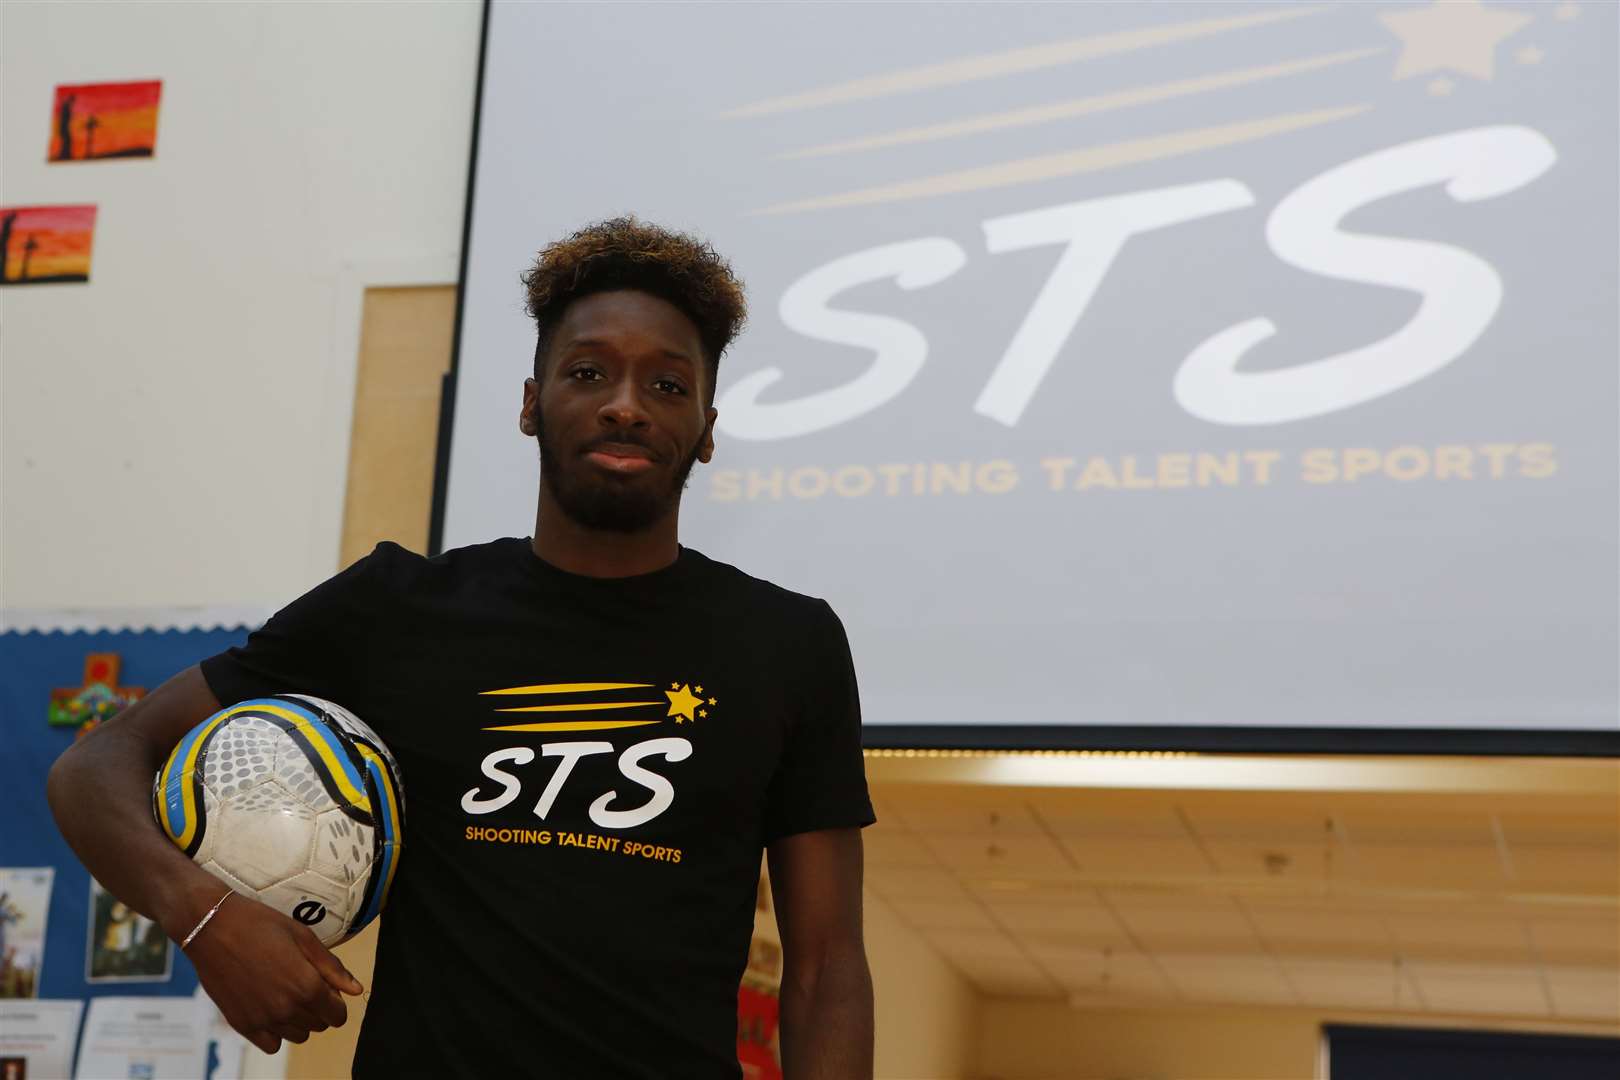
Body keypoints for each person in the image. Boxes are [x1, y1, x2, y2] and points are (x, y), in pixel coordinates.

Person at [48, 217, 876, 1078]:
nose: (625, 404)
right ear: (530, 403)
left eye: (668, 385)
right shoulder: (396, 607)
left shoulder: (786, 643)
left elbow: (825, 969)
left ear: (706, 426)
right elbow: (96, 765)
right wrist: (207, 919)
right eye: (588, 372)